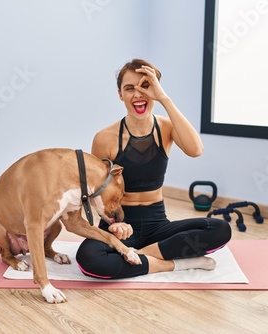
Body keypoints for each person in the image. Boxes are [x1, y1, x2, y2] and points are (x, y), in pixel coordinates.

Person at [76, 59, 232, 279]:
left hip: (157, 225)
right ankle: (173, 264)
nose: (138, 94)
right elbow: (97, 193)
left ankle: (135, 256)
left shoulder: (166, 127)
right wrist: (114, 225)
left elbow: (195, 150)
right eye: (129, 88)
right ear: (120, 94)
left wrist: (164, 98)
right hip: (120, 224)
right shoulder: (105, 138)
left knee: (220, 229)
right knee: (89, 260)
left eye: (145, 86)